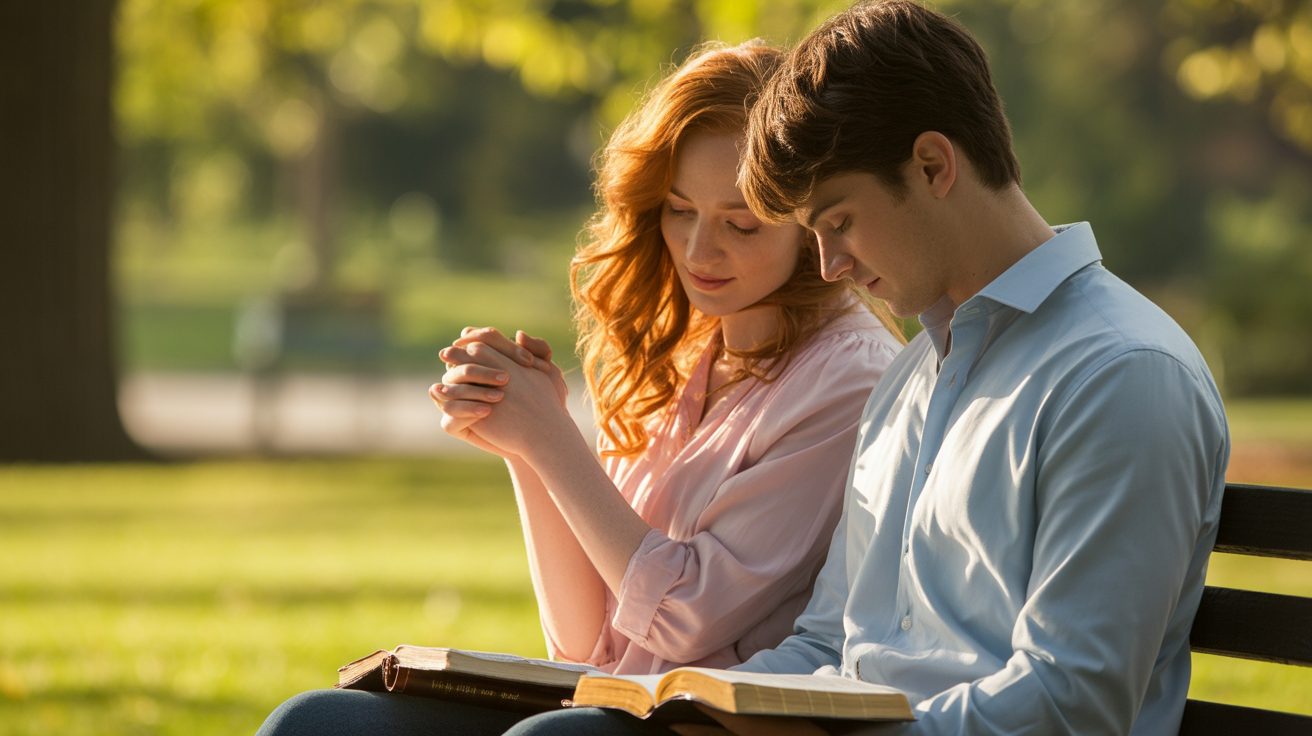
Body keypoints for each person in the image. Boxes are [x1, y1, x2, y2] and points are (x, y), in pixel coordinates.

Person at [506, 1, 1230, 735]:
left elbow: (1072, 702)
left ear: (932, 165)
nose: (831, 265)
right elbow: (830, 646)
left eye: (840, 221)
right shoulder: (910, 384)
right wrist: (680, 710)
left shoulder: (1120, 375)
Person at [256, 40, 903, 736]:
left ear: (807, 225)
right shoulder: (687, 349)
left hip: (718, 725)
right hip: (608, 705)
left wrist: (554, 441)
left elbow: (683, 617)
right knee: (316, 722)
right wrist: (523, 447)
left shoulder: (849, 379)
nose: (697, 250)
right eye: (679, 210)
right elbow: (585, 645)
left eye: (740, 223)